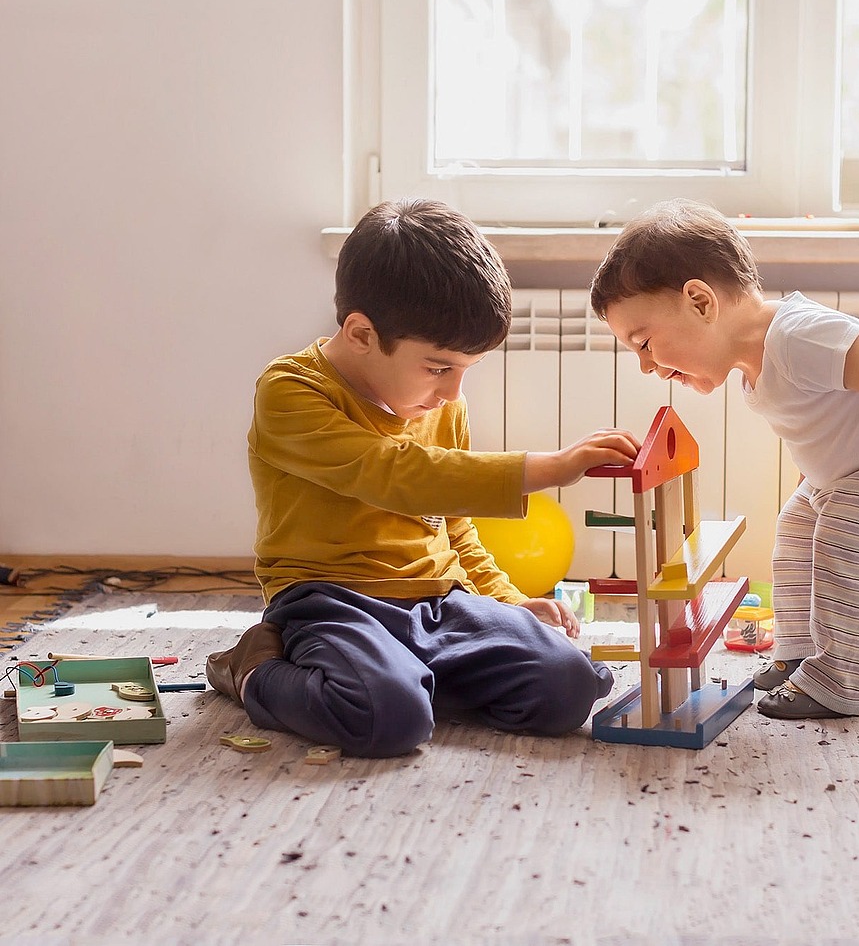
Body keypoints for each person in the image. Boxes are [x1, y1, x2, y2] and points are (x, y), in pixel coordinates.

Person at [207, 199, 639, 757]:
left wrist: (505, 602)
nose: (454, 392)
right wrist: (549, 468)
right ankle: (256, 669)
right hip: (329, 599)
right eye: (439, 368)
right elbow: (394, 475)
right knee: (388, 720)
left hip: (438, 600)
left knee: (570, 684)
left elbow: (451, 522)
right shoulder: (290, 392)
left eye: (464, 370)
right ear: (361, 333)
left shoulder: (439, 402)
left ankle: (411, 677)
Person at [589, 199, 859, 720]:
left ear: (700, 302)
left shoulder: (795, 335)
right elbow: (826, 423)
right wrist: (812, 480)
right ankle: (801, 653)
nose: (646, 366)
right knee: (796, 533)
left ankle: (844, 682)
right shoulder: (756, 367)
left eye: (644, 343)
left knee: (846, 548)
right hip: (856, 466)